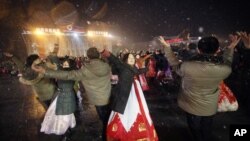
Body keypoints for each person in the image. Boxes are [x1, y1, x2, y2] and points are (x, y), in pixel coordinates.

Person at [157, 35, 240, 141]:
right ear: (217, 50)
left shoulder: (187, 66)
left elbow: (174, 63)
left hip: (190, 104)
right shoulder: (225, 70)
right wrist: (231, 48)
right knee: (207, 128)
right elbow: (227, 61)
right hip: (210, 106)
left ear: (198, 50)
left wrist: (167, 48)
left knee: (194, 128)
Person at [32, 47, 112, 141]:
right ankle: (109, 132)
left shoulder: (85, 70)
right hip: (109, 97)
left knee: (104, 119)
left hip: (97, 100)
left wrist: (45, 71)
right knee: (108, 117)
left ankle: (107, 135)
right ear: (98, 55)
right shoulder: (107, 65)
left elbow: (67, 75)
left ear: (88, 57)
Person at [101, 50, 158, 141]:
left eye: (132, 58)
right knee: (123, 110)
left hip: (135, 91)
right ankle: (122, 131)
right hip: (124, 93)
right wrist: (108, 54)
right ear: (125, 59)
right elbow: (115, 60)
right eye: (129, 58)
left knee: (137, 107)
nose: (131, 59)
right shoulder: (122, 66)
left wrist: (147, 68)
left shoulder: (133, 68)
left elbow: (138, 71)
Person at [40, 58, 77, 141]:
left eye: (67, 64)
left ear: (70, 64)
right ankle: (66, 132)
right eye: (64, 63)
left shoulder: (72, 73)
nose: (65, 65)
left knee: (66, 115)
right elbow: (56, 66)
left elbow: (62, 75)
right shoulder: (63, 71)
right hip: (60, 95)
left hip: (67, 95)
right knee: (59, 114)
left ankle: (66, 133)